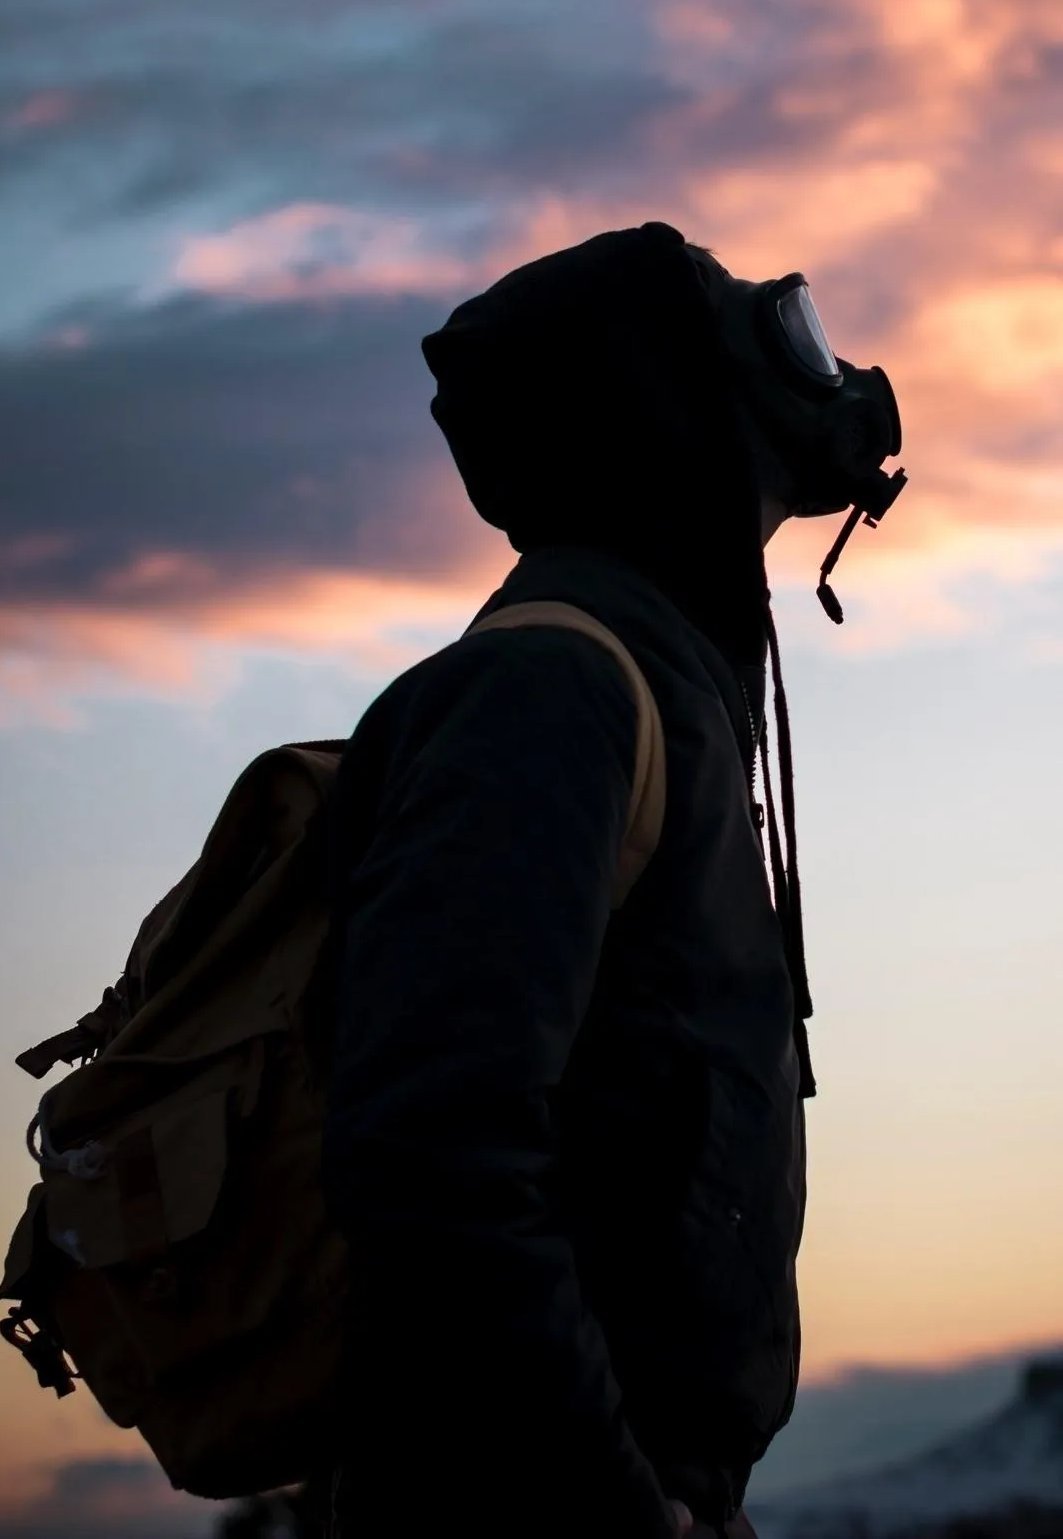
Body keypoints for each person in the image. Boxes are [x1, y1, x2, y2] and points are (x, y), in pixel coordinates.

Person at [321, 222, 904, 1539]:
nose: (819, 377)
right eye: (779, 338)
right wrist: (614, 1507)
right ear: (669, 402)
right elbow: (431, 1154)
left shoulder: (654, 679)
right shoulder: (550, 692)